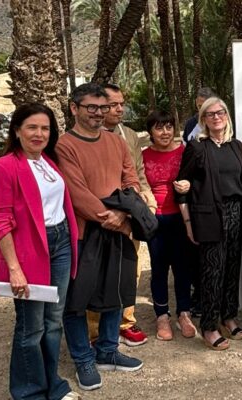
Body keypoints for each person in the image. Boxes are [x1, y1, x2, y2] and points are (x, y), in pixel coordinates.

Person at [0, 103, 81, 400]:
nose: (39, 133)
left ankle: (52, 385)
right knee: (31, 327)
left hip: (61, 244)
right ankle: (29, 392)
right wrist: (14, 267)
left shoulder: (48, 162)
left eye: (45, 128)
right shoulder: (3, 168)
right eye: (32, 127)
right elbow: (0, 223)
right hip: (30, 252)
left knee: (53, 322)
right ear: (17, 130)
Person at [56, 83, 143, 391]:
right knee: (77, 301)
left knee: (115, 292)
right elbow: (76, 192)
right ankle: (83, 359)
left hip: (119, 228)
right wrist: (110, 217)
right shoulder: (64, 145)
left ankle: (107, 350)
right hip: (84, 232)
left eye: (102, 108)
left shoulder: (117, 142)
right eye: (91, 107)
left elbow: (130, 178)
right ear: (74, 108)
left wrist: (124, 213)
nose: (97, 113)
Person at [86, 83, 155, 347]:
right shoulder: (85, 137)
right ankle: (94, 330)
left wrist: (145, 200)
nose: (119, 109)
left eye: (121, 104)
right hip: (98, 215)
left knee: (130, 270)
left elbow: (137, 173)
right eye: (113, 104)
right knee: (97, 274)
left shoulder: (129, 135)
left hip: (128, 213)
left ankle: (125, 322)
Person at [176, 97, 242, 350]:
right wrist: (187, 222)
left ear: (227, 116)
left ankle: (228, 315)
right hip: (209, 216)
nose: (216, 117)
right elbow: (181, 186)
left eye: (220, 113)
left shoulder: (235, 146)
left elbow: (239, 181)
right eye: (210, 114)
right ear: (203, 119)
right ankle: (208, 325)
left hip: (236, 213)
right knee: (212, 272)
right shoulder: (197, 147)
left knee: (231, 268)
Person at [141, 110, 197, 341]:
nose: (165, 132)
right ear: (150, 132)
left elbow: (198, 179)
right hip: (155, 219)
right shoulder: (143, 156)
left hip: (182, 217)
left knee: (183, 267)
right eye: (159, 128)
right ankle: (161, 315)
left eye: (168, 127)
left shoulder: (185, 152)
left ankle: (184, 313)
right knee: (159, 268)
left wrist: (189, 185)